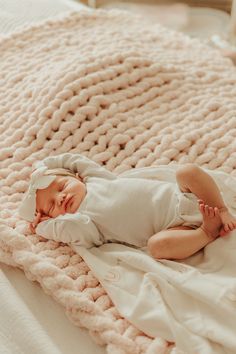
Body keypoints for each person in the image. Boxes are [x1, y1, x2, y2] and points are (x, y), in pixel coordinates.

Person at [18, 153, 236, 260]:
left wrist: (43, 167)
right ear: (53, 218)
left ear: (76, 176)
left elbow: (74, 159)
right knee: (157, 247)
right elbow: (71, 230)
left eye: (61, 186)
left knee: (187, 171)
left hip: (184, 197)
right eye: (51, 205)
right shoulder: (83, 222)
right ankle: (207, 232)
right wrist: (41, 227)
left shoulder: (97, 179)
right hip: (176, 228)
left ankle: (221, 209)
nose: (61, 197)